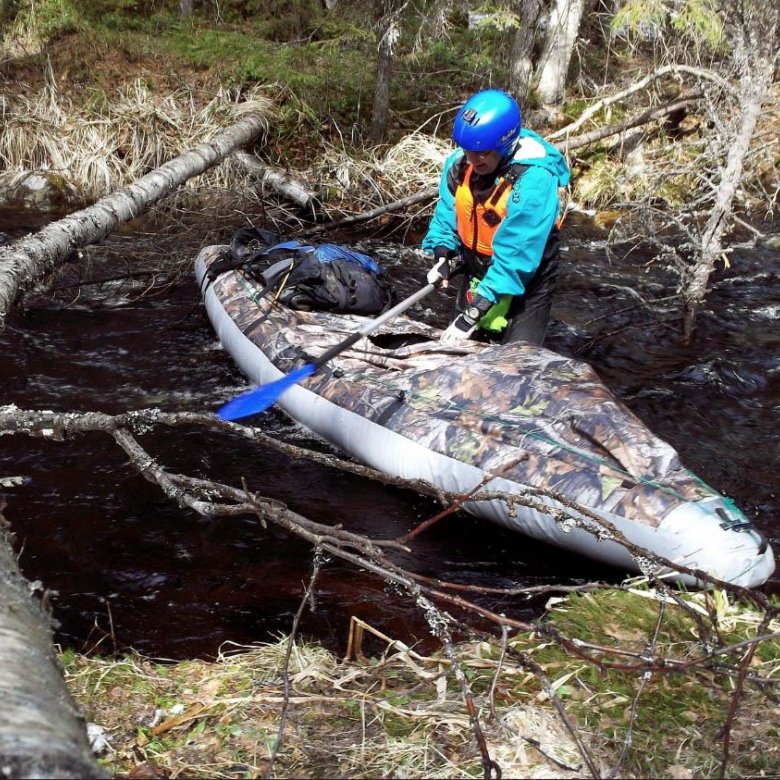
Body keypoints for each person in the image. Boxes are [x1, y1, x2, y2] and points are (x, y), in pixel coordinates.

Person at [422, 89, 570, 346]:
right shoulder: (460, 165)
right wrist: (443, 255)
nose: (471, 160)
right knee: (460, 358)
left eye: (481, 153)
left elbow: (516, 255)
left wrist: (474, 312)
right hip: (477, 268)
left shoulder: (534, 180)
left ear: (504, 143)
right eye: (466, 150)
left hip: (526, 279)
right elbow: (447, 214)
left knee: (515, 366)